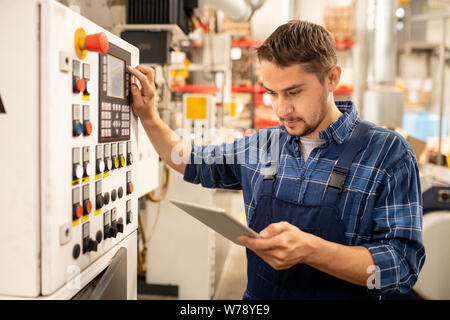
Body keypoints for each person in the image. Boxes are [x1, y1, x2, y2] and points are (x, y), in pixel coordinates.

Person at [127, 19, 425, 300]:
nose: (281, 109)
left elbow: (402, 267)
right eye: (272, 93)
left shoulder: (388, 154)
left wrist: (313, 251)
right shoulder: (262, 145)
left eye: (294, 92)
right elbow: (190, 160)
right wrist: (149, 116)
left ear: (332, 78)